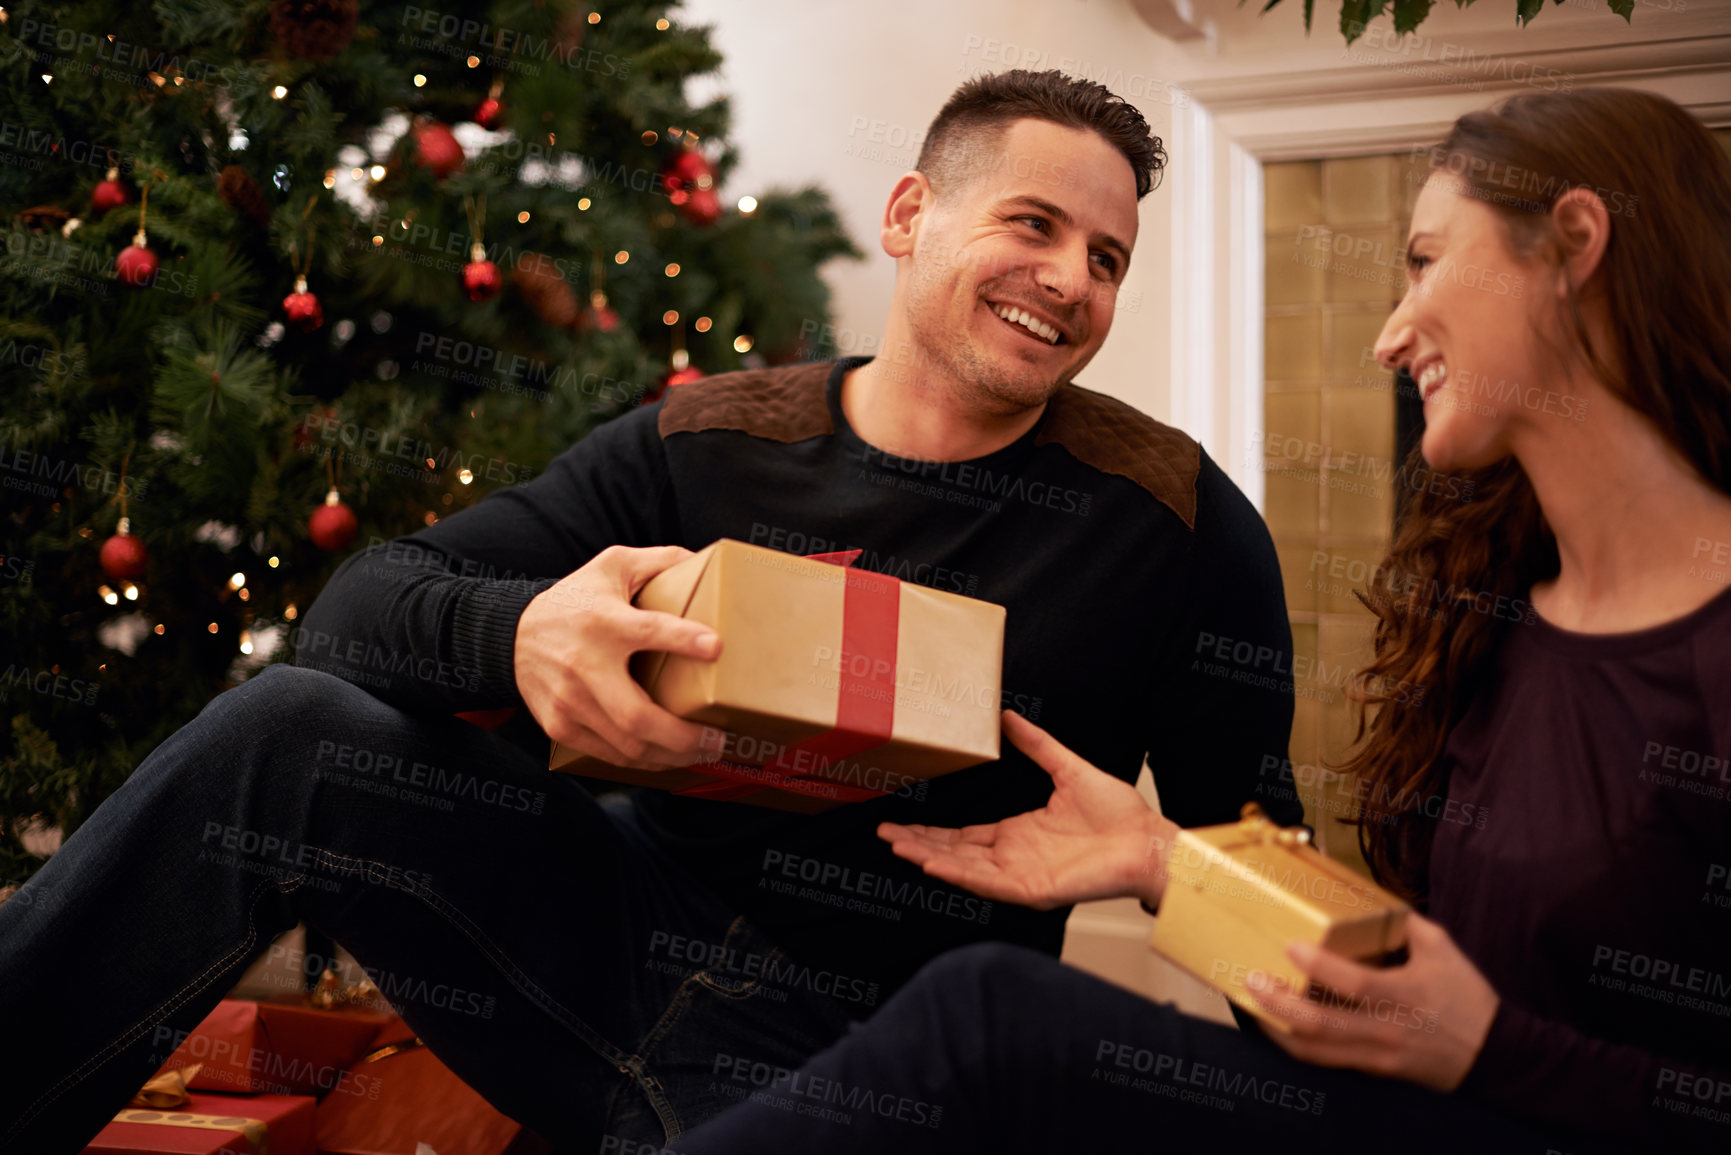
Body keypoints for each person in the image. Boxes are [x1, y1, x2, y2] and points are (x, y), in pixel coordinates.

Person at [0, 70, 1301, 1153]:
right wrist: (517, 634)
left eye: (1106, 257)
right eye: (1031, 225)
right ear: (910, 213)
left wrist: (1167, 863)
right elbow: (355, 607)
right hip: (596, 938)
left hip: (870, 1056)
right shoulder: (704, 436)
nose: (1069, 278)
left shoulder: (1172, 521)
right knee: (288, 724)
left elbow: (1265, 872)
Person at [666, 86, 1731, 1155]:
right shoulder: (1501, 620)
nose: (1392, 334)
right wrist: (1167, 863)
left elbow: (1476, 1033)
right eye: (1033, 223)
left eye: (1424, 260)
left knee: (986, 1016)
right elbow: (1411, 995)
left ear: (1574, 245)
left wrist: (1493, 1051)